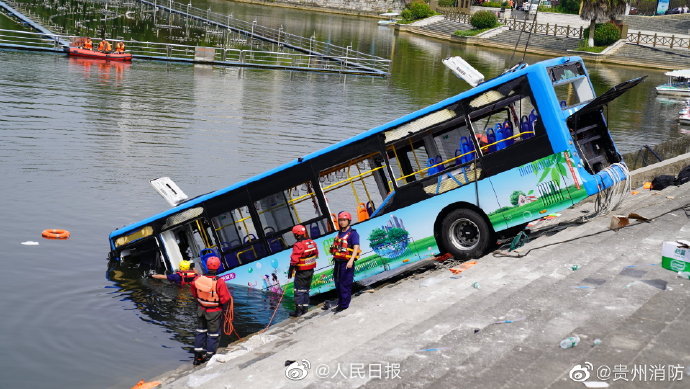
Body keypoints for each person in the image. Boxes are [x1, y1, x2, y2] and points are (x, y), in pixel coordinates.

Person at [189, 256, 231, 365]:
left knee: (201, 332)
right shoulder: (219, 282)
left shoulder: (197, 279)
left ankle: (197, 356)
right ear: (218, 266)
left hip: (201, 309)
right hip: (214, 311)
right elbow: (225, 298)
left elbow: (194, 293)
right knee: (213, 334)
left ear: (205, 266)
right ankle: (209, 356)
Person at [327, 211, 360, 313]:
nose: (342, 222)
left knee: (344, 284)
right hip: (338, 262)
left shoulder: (353, 233)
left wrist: (351, 260)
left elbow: (356, 247)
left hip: (346, 262)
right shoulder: (340, 233)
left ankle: (344, 305)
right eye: (340, 220)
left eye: (344, 220)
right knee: (337, 283)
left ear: (348, 221)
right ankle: (341, 302)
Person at [287, 224, 318, 317]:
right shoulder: (312, 242)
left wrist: (290, 270)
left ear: (296, 235)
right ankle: (305, 308)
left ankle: (298, 311)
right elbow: (316, 254)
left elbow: (294, 259)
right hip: (310, 270)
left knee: (299, 290)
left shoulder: (298, 245)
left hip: (302, 272)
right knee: (306, 290)